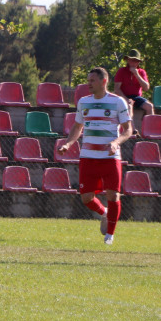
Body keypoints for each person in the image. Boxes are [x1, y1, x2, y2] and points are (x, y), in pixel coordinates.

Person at [57, 67, 133, 245]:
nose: (88, 83)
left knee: (113, 195)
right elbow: (77, 127)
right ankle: (105, 213)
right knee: (86, 198)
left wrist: (115, 142)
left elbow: (128, 130)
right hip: (88, 156)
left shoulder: (118, 102)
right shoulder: (83, 102)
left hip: (110, 157)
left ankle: (110, 235)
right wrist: (68, 143)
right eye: (88, 80)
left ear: (103, 81)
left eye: (92, 80)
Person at [113, 49, 154, 120]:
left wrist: (136, 74)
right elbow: (117, 89)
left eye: (136, 61)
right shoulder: (121, 71)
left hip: (136, 97)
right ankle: (133, 129)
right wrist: (126, 99)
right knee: (129, 106)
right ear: (128, 60)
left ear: (138, 62)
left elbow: (146, 88)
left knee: (149, 106)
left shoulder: (142, 72)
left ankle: (151, 127)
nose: (133, 63)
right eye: (132, 60)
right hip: (123, 96)